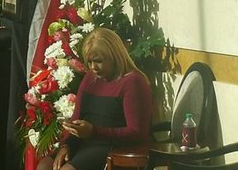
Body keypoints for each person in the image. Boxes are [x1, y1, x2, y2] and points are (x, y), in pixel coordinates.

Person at [37, 27, 153, 170]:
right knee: (44, 166)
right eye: (89, 62)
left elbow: (136, 132)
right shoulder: (90, 79)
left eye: (98, 61)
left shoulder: (133, 82)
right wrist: (66, 145)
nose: (93, 67)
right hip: (86, 141)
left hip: (112, 146)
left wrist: (94, 131)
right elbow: (76, 118)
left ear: (114, 56)